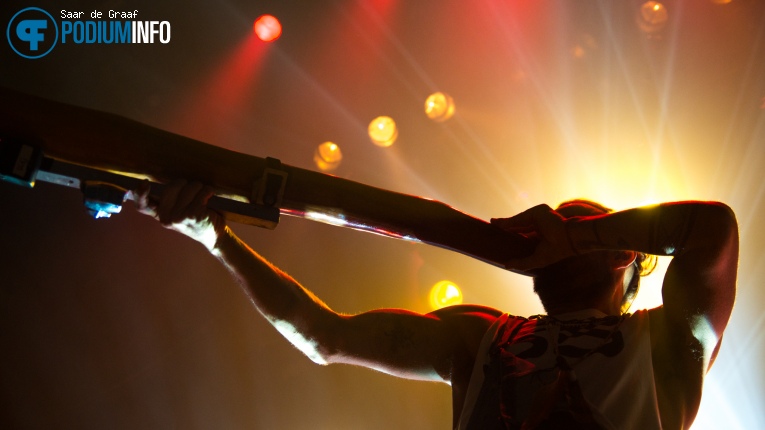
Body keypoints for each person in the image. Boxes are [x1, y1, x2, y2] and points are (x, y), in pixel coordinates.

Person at [132, 180, 738, 430]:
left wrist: (575, 236)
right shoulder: (481, 336)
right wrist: (214, 238)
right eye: (545, 227)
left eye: (580, 226)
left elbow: (713, 228)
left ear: (623, 254)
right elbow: (323, 336)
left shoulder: (665, 344)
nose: (548, 230)